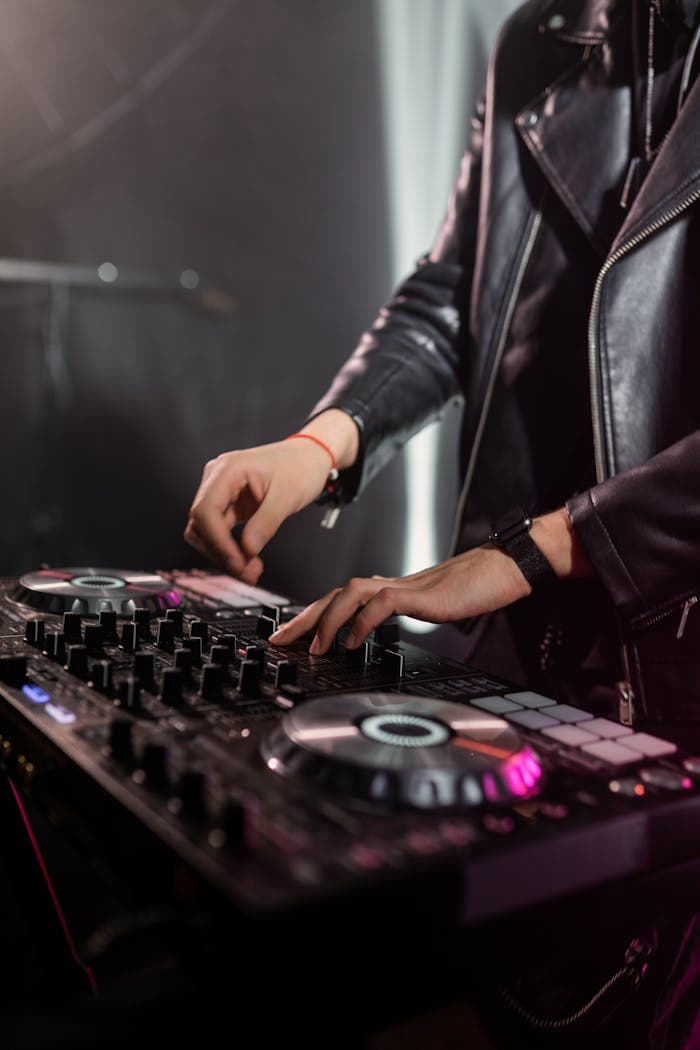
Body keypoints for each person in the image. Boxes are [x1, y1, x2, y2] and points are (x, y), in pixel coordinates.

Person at [186, 3, 700, 1043]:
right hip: (529, 661)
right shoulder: (540, 39)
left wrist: (536, 550)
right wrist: (320, 444)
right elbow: (455, 296)